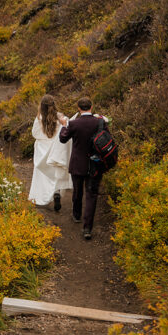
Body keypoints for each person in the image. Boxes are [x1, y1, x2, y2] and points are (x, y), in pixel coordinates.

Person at [60, 97, 109, 240]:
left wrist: (64, 125)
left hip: (78, 163)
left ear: (78, 108)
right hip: (96, 163)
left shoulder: (74, 124)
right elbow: (107, 138)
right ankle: (87, 228)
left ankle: (76, 215)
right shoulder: (100, 122)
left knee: (78, 190)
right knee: (91, 194)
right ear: (91, 107)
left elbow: (63, 139)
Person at [28, 94, 73, 211]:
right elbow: (66, 130)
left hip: (43, 150)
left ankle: (43, 196)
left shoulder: (39, 119)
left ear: (41, 106)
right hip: (55, 150)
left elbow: (35, 134)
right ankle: (56, 192)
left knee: (43, 174)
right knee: (55, 173)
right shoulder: (61, 117)